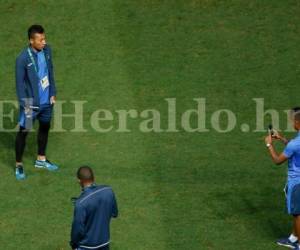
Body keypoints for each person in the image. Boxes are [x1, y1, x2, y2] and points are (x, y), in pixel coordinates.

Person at [15, 24, 59, 180]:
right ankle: (19, 164)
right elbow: (19, 85)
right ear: (31, 41)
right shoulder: (22, 59)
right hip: (30, 104)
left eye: (44, 38)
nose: (44, 42)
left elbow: (50, 72)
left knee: (44, 128)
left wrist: (52, 93)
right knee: (23, 133)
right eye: (40, 39)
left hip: (47, 101)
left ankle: (41, 159)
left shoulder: (47, 51)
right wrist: (25, 104)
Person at [265, 107, 300, 249]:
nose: (291, 122)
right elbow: (295, 149)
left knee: (298, 213)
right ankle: (293, 238)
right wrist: (282, 139)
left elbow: (278, 160)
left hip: (297, 182)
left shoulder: (295, 144)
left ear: (298, 123)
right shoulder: (295, 142)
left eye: (292, 120)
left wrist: (269, 144)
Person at [70, 166, 118, 250]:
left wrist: (74, 243)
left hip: (86, 246)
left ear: (79, 181)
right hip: (104, 243)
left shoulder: (80, 203)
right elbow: (114, 213)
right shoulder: (108, 191)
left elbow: (77, 230)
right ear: (93, 177)